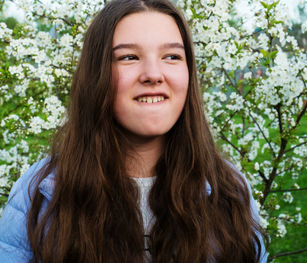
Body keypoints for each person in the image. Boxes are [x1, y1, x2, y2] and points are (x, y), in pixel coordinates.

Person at [0, 0, 267, 262]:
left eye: (172, 57)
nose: (153, 74)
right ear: (97, 75)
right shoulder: (40, 193)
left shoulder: (230, 193)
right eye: (129, 57)